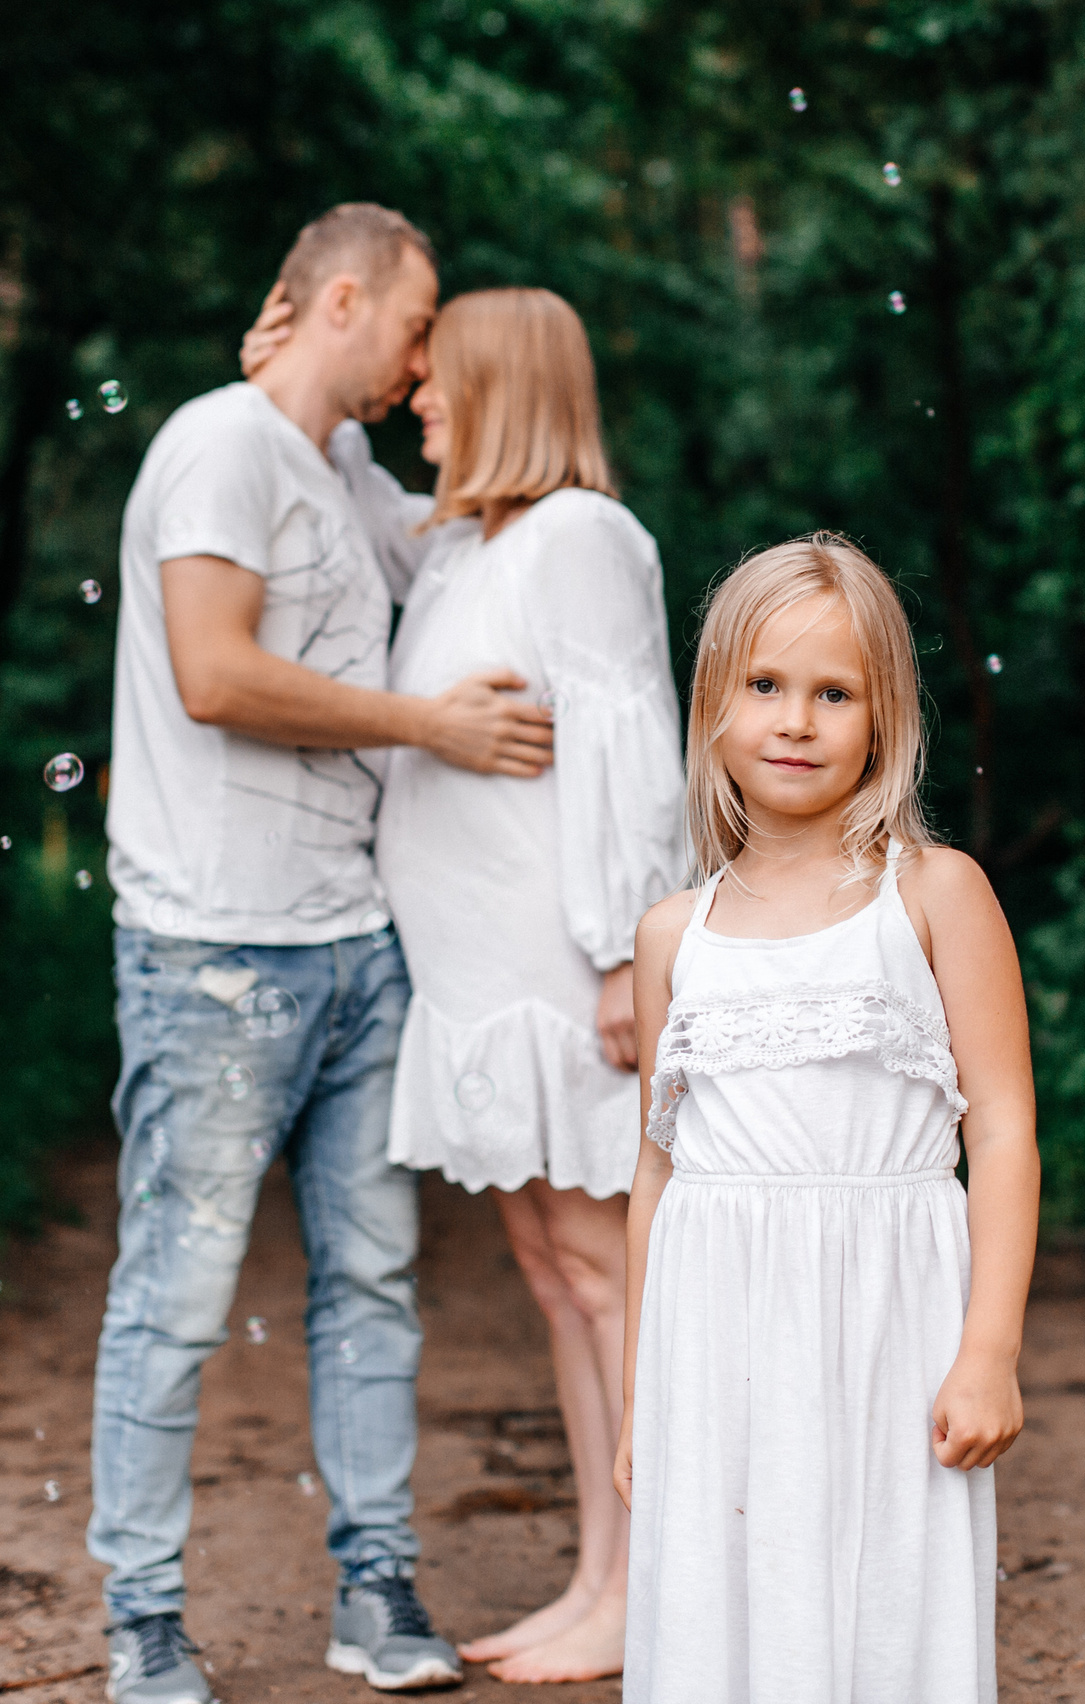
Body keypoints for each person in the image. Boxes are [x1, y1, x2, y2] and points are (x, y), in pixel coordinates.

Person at [92, 202, 554, 1704]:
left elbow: (457, 548)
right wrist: (430, 729)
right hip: (214, 953)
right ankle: (143, 1619)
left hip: (359, 945)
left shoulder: (337, 468)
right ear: (342, 301)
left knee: (374, 1282)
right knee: (179, 1293)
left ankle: (376, 1588)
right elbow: (213, 674)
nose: (426, 361)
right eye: (417, 327)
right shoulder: (216, 445)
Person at [612, 535, 1042, 1704]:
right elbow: (655, 1174)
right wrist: (641, 1396)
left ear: (884, 716)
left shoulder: (934, 895)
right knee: (721, 1607)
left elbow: (1002, 1130)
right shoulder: (672, 936)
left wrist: (989, 1352)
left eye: (833, 693)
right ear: (713, 705)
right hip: (715, 1337)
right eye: (764, 685)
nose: (794, 721)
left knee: (879, 1599)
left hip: (887, 1324)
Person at [377, 288, 684, 1683]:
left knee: (610, 1276)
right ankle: (598, 1576)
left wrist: (627, 951)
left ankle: (654, 1590)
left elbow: (630, 745)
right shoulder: (460, 546)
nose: (416, 398)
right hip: (476, 973)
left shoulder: (581, 538)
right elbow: (340, 487)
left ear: (505, 386)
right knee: (559, 1279)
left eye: (438, 378)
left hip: (564, 968)